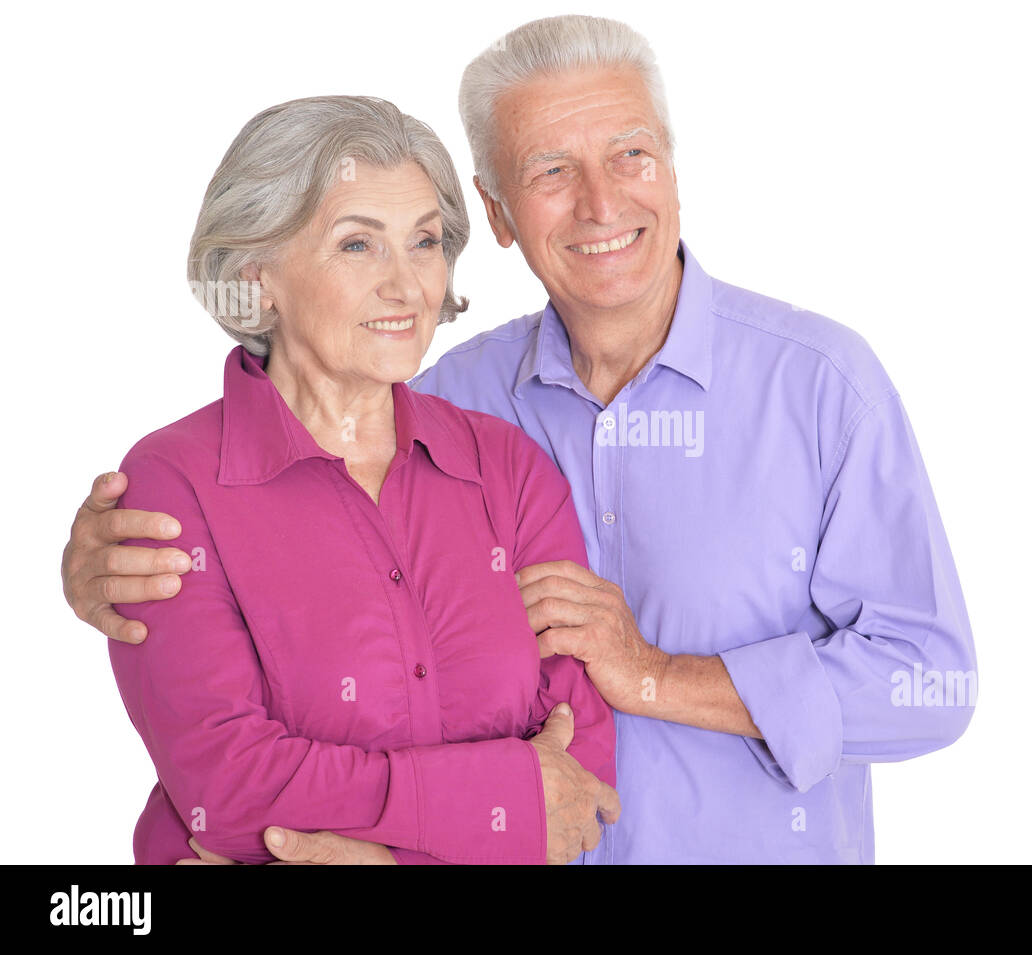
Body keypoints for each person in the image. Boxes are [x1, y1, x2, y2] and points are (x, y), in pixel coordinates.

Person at [64, 16, 974, 864]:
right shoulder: (440, 400)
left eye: (631, 155)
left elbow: (929, 680)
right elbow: (246, 724)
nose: (601, 201)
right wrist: (102, 561)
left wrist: (655, 675)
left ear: (673, 169)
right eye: (550, 172)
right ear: (498, 216)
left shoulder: (822, 387)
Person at [91, 94, 617, 864]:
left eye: (424, 241)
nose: (406, 286)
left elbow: (580, 784)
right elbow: (228, 789)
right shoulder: (171, 489)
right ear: (256, 276)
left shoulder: (507, 469)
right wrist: (499, 797)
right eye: (357, 246)